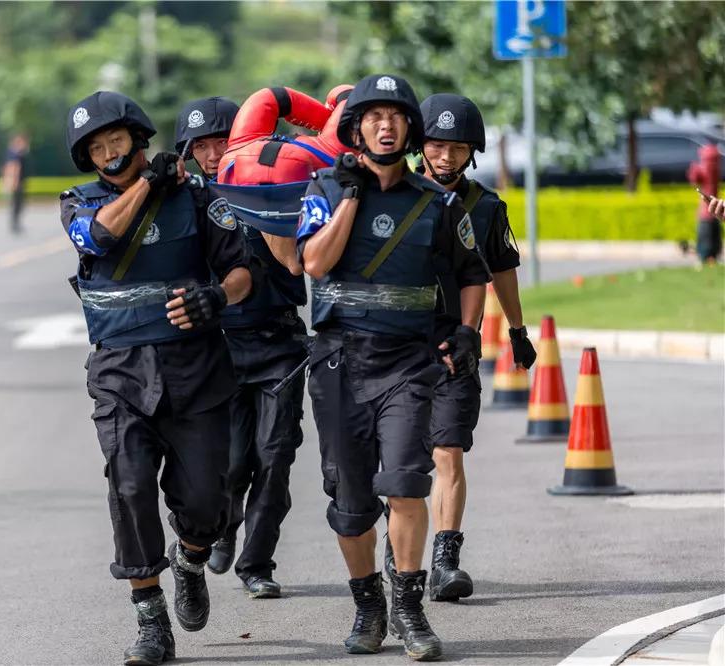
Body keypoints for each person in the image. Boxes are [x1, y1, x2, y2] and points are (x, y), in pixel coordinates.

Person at [297, 74, 490, 661]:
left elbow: (474, 273)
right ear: (356, 127)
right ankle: (367, 605)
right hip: (338, 365)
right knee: (350, 499)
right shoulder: (324, 188)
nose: (385, 125)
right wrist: (352, 198)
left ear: (410, 129)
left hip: (408, 365)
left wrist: (466, 331)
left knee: (406, 484)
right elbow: (313, 263)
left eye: (396, 116)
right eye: (373, 116)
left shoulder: (439, 203)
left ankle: (409, 606)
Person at [60, 91, 252, 666]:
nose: (109, 153)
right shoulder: (76, 203)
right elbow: (100, 238)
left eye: (116, 140)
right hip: (119, 372)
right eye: (96, 147)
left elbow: (242, 270)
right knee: (130, 486)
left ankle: (191, 558)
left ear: (137, 138)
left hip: (196, 370)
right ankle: (150, 618)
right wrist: (149, 184)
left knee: (206, 502)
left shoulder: (198, 199)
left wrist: (215, 296)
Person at [380, 93, 535, 603]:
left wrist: (516, 330)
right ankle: (398, 539)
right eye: (436, 146)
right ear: (419, 145)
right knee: (400, 456)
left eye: (458, 149)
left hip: (456, 345)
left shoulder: (487, 208)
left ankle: (446, 560)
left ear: (473, 154)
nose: (445, 158)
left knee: (447, 451)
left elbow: (503, 272)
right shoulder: (392, 196)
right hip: (395, 345)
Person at [175, 95, 308, 599]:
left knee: (274, 458)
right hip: (217, 350)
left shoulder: (283, 189)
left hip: (279, 344)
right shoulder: (184, 205)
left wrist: (267, 204)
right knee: (230, 464)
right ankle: (225, 527)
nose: (212, 155)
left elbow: (297, 268)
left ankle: (258, 562)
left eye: (222, 143)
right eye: (202, 146)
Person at [687, 144, 722, 264]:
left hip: (707, 212)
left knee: (707, 236)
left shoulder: (707, 169)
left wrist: (694, 168)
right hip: (711, 211)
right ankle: (710, 255)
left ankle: (707, 255)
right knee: (712, 236)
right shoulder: (715, 170)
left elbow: (694, 179)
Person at [2, 133, 31, 234]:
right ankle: (15, 224)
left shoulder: (16, 153)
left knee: (18, 205)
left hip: (19, 182)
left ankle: (15, 223)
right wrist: (14, 181)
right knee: (16, 205)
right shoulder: (14, 154)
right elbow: (13, 168)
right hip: (17, 183)